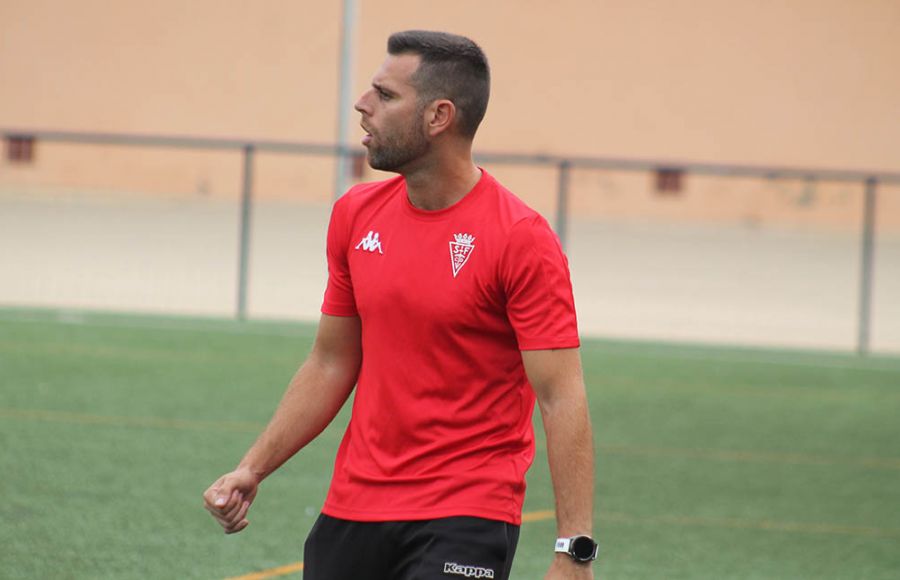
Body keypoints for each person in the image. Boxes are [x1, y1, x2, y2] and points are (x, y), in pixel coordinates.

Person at [203, 30, 596, 580]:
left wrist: (573, 551)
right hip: (353, 508)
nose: (363, 106)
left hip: (467, 512)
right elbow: (331, 361)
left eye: (385, 96)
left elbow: (560, 396)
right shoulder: (355, 214)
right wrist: (254, 467)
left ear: (439, 116)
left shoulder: (520, 238)